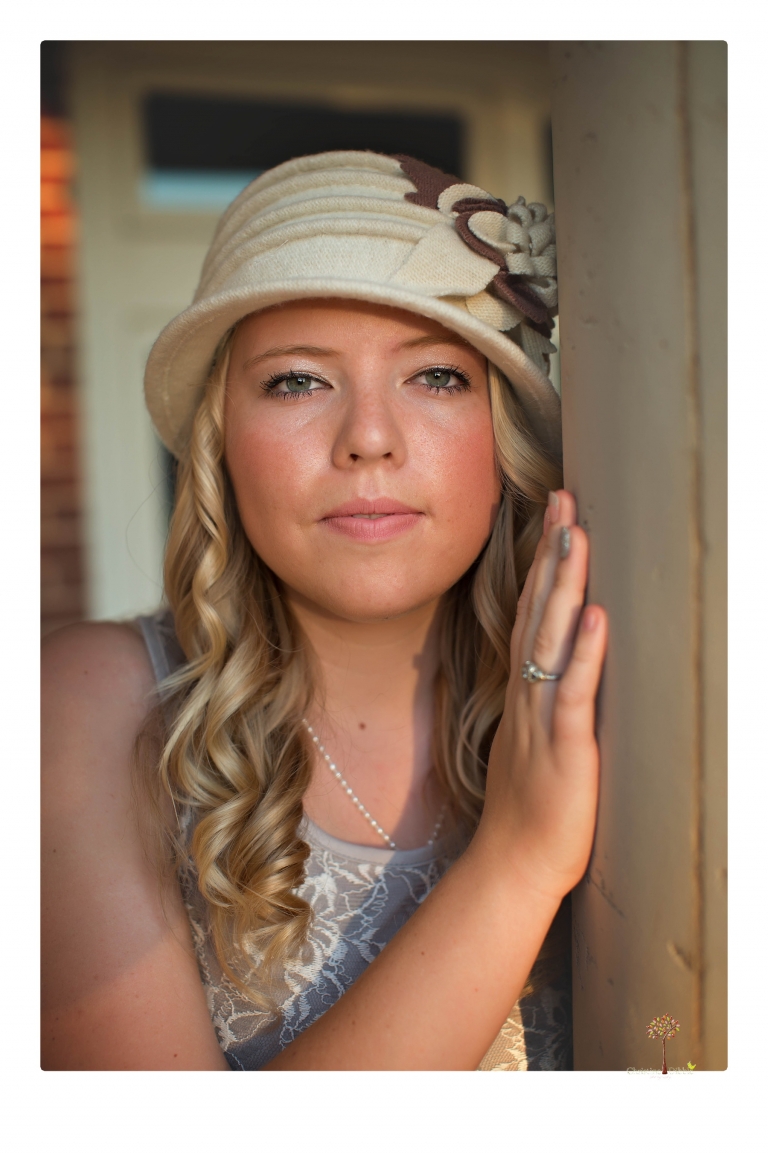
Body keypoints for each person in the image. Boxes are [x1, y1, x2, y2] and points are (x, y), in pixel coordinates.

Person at [41, 151, 607, 1070]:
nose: (369, 441)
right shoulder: (85, 705)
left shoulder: (623, 688)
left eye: (436, 377)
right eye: (298, 381)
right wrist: (516, 864)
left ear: (505, 438)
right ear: (222, 442)